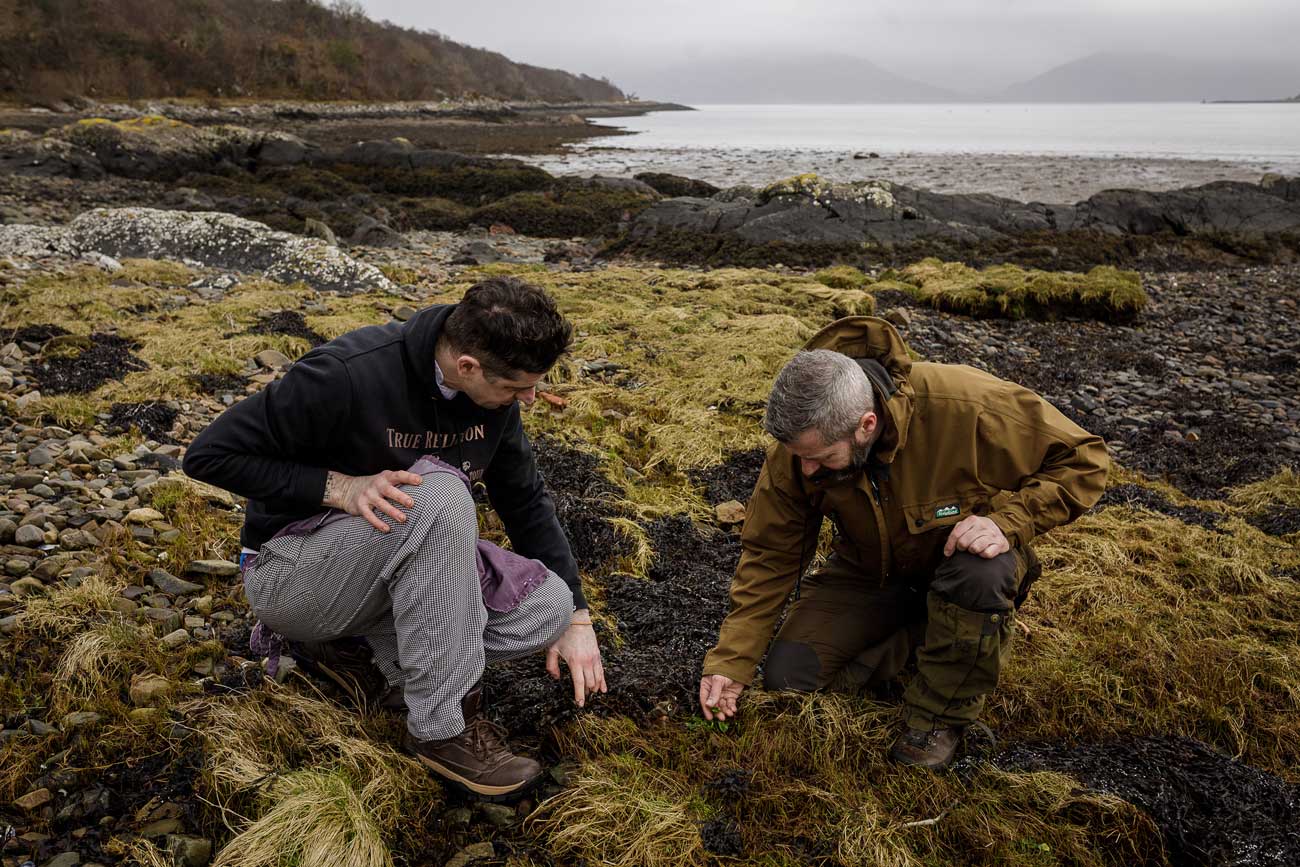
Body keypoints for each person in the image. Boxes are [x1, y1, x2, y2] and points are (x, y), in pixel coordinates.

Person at [184, 276, 606, 798]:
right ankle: (442, 730)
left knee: (548, 605)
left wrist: (579, 618)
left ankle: (354, 648)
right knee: (442, 494)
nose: (532, 398)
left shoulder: (494, 398)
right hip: (292, 570)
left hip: (398, 560)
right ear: (468, 366)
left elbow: (524, 500)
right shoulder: (344, 374)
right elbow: (208, 455)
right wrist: (341, 488)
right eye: (518, 388)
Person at [697, 316, 1108, 769]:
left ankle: (938, 717)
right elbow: (772, 555)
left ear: (865, 424)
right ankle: (938, 640)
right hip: (867, 575)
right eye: (801, 458)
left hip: (963, 564)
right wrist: (732, 661)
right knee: (790, 675)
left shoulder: (967, 404)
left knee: (981, 572)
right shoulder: (799, 448)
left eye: (819, 458)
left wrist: (1010, 523)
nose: (808, 471)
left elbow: (1084, 458)